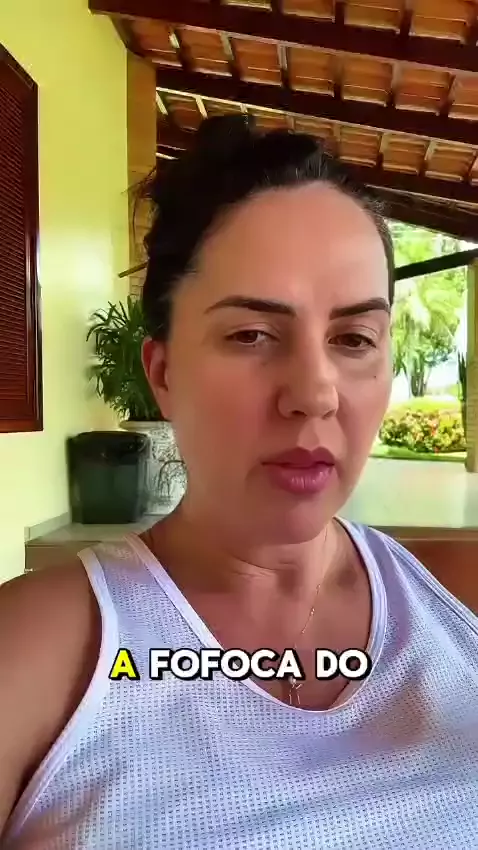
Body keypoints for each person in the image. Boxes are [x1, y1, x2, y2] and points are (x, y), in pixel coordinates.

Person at [0, 116, 477, 850]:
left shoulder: (459, 603)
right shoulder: (42, 652)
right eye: (251, 335)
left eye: (354, 338)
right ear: (163, 373)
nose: (314, 394)